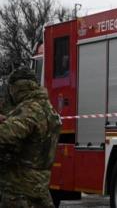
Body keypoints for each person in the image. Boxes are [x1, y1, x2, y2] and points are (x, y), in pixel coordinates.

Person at [0, 67, 61, 208]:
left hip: (19, 190)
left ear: (16, 88)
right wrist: (9, 119)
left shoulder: (29, 109)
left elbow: (5, 136)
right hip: (40, 189)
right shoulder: (48, 109)